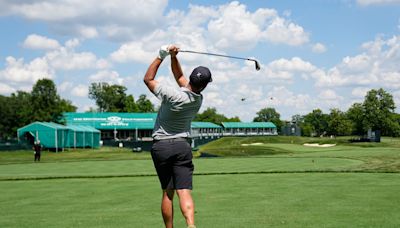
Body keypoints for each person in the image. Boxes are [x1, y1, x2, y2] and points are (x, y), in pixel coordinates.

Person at [144, 44, 212, 228]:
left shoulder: (171, 94)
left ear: (191, 77)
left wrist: (162, 55)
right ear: (204, 86)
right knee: (184, 190)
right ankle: (191, 224)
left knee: (168, 192)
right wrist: (174, 57)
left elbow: (148, 78)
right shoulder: (198, 99)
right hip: (182, 146)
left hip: (162, 146)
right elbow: (179, 78)